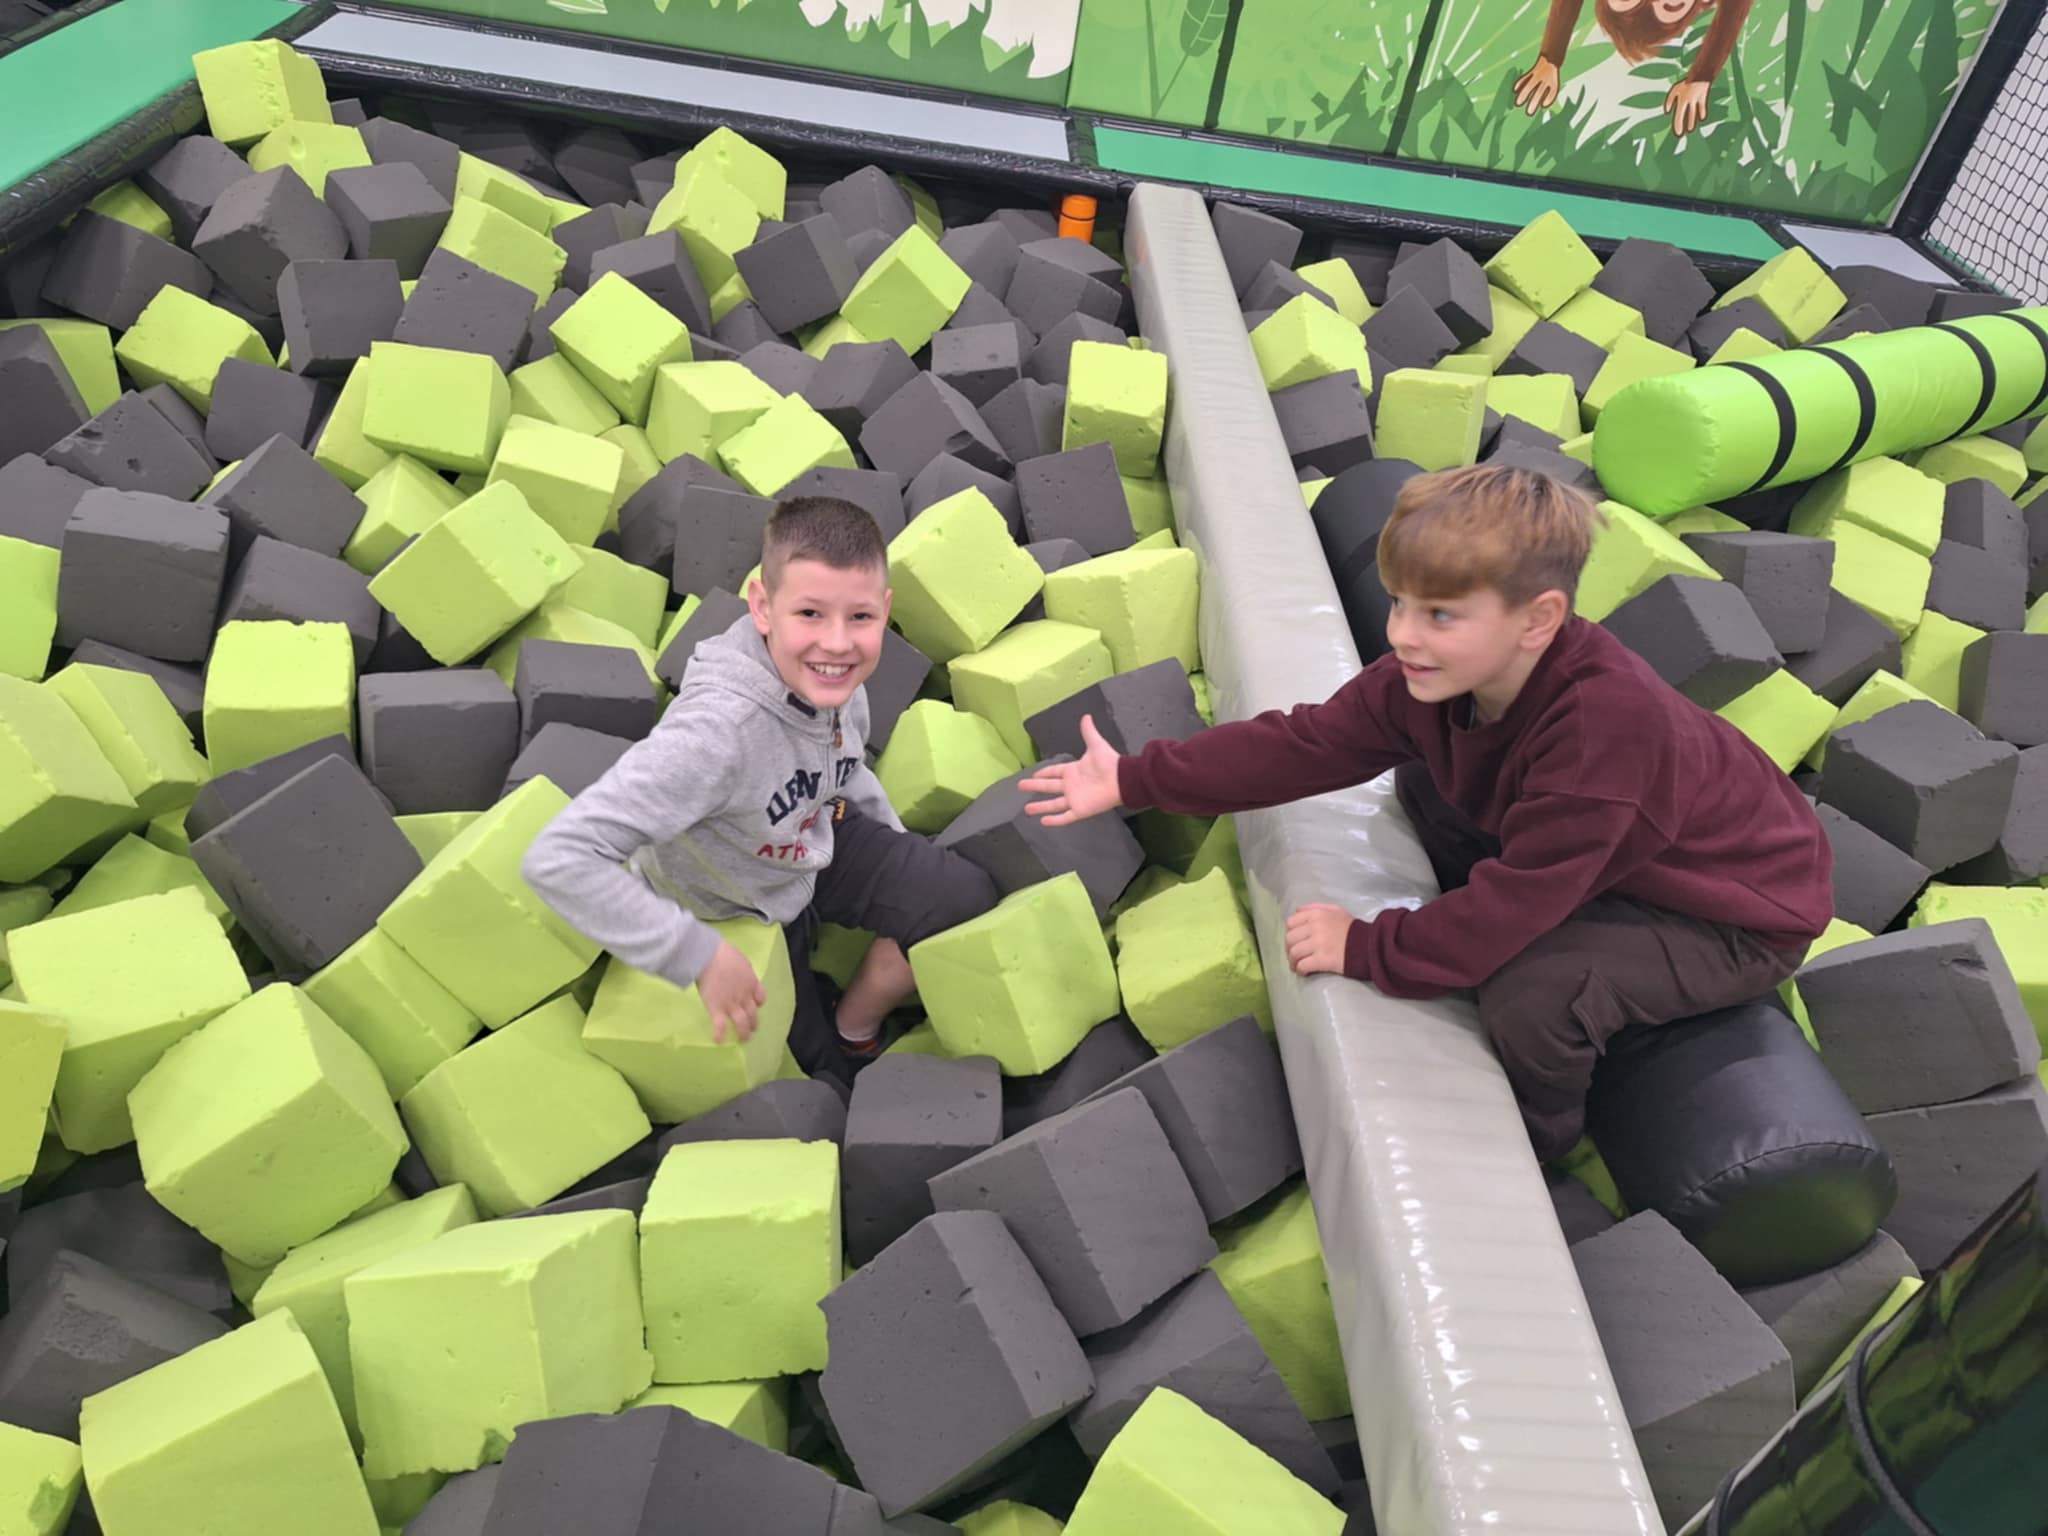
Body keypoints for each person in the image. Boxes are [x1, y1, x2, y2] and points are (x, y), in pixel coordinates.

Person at [1020, 464, 1832, 1162]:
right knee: (1423, 785)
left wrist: (1369, 945)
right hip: (1619, 850)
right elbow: (1305, 744)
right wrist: (1136, 777)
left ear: (1539, 620)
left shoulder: (1601, 736)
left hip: (1731, 914)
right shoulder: (1431, 679)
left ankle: (1540, 1142)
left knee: (1534, 994)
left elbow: (1509, 911)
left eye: (1440, 615)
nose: (1403, 634)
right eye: (1399, 603)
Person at [523, 496, 999, 1082]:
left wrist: (899, 853)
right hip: (732, 900)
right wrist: (698, 955)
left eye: (860, 617)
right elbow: (558, 857)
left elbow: (845, 765)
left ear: (884, 610)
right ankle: (830, 1042)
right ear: (763, 607)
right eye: (810, 613)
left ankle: (855, 1024)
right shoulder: (717, 734)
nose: (837, 643)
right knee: (823, 1079)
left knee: (961, 896)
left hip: (811, 836)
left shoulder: (837, 676)